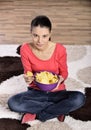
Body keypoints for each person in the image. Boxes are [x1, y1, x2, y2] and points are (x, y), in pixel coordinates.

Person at [8, 15, 85, 123]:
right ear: (31, 33)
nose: (40, 41)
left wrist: (60, 80)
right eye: (35, 35)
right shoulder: (25, 49)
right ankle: (58, 110)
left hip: (57, 92)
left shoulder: (60, 49)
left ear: (50, 34)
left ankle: (41, 115)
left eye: (44, 36)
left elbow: (64, 72)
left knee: (79, 98)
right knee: (13, 103)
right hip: (36, 92)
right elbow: (28, 71)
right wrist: (28, 78)